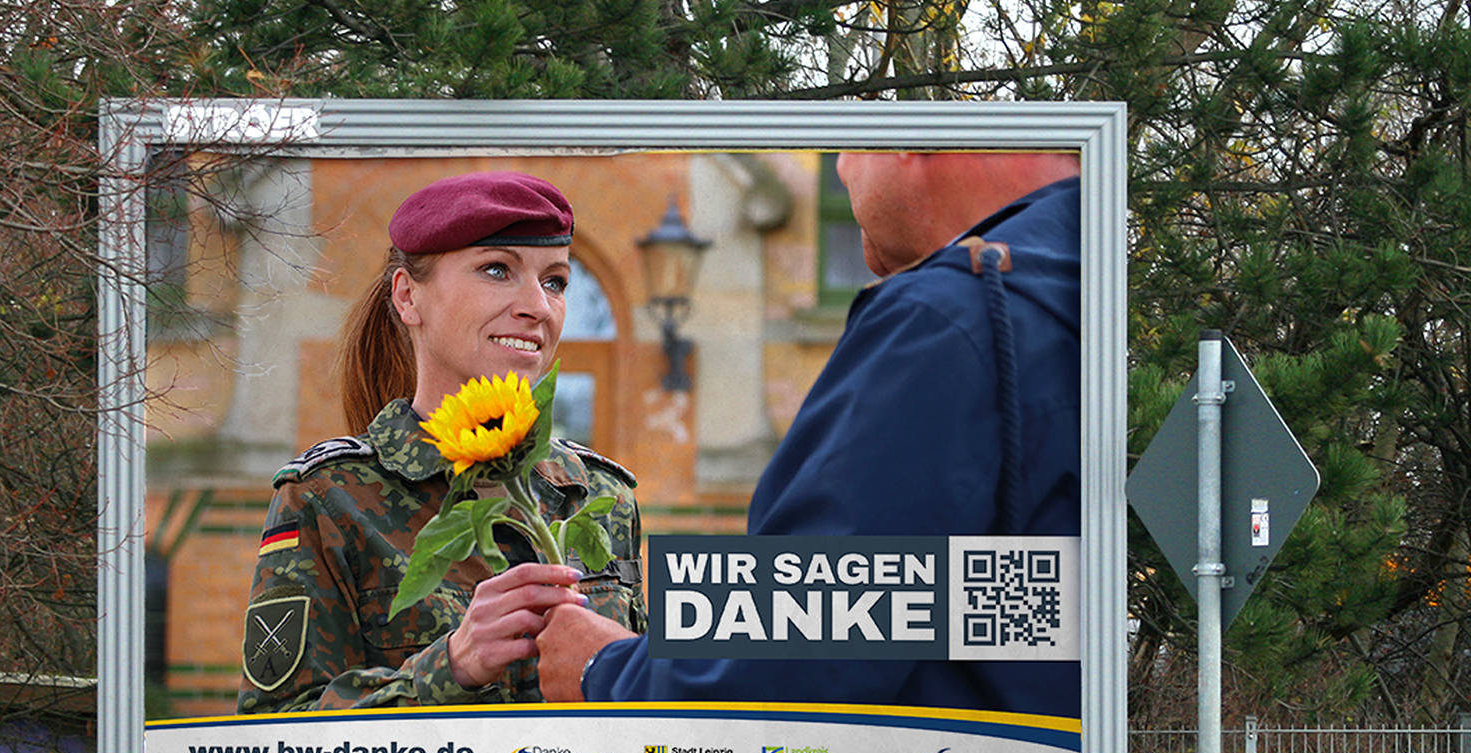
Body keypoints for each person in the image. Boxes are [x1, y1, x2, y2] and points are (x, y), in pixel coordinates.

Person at [536, 151, 1082, 718]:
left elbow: (810, 648)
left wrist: (605, 669)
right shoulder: (1071, 284)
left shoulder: (948, 320)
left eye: (848, 148)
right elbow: (986, 608)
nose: (843, 171)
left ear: (909, 141)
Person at [237, 172, 645, 713]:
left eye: (555, 282)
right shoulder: (330, 498)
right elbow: (273, 736)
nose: (539, 307)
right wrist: (452, 664)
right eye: (496, 270)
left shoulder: (602, 497)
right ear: (408, 297)